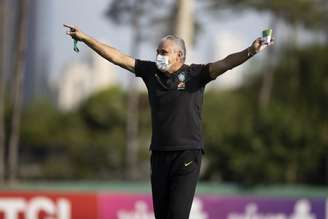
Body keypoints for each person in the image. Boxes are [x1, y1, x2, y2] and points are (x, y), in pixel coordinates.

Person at [64, 24, 273, 219]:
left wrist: (250, 51)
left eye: (163, 52)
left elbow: (226, 63)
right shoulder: (150, 72)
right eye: (157, 52)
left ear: (179, 55)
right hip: (159, 155)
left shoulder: (196, 74)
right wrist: (85, 39)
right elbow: (117, 57)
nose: (158, 56)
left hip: (187, 154)